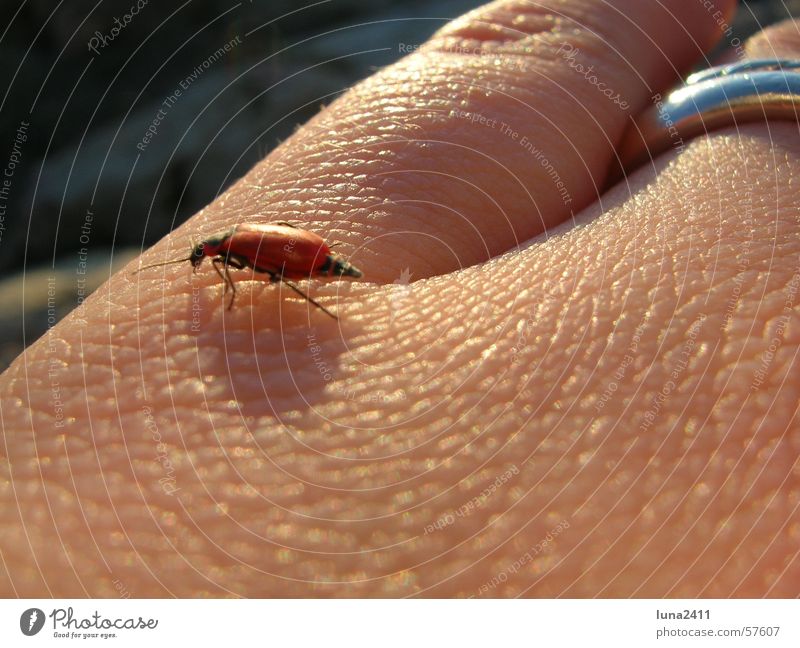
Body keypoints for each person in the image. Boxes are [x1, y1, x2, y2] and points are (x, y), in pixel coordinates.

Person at [1, 0, 797, 597]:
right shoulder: (236, 253)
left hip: (308, 260)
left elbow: (266, 266)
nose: (212, 273)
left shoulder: (240, 258)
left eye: (210, 264)